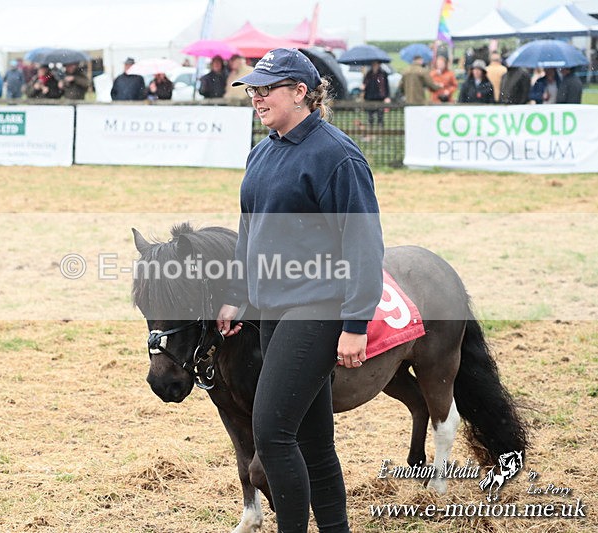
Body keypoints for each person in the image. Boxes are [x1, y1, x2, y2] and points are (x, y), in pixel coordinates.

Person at [217, 48, 384, 533]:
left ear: (300, 92)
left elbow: (363, 244)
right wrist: (238, 292)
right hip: (272, 310)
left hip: (318, 307)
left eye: (267, 89)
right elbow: (249, 229)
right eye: (253, 89)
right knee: (312, 442)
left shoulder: (337, 156)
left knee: (271, 435)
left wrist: (356, 324)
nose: (257, 97)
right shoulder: (263, 150)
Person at [360, 60, 390, 126]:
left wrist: (387, 96)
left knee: (380, 115)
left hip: (380, 97)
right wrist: (363, 86)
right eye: (373, 64)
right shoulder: (369, 74)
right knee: (370, 116)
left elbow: (386, 86)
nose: (374, 65)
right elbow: (365, 83)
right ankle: (370, 128)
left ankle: (380, 127)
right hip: (370, 96)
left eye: (376, 64)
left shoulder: (383, 73)